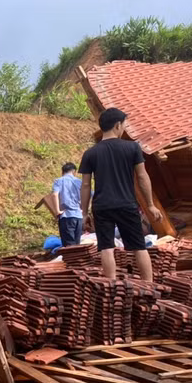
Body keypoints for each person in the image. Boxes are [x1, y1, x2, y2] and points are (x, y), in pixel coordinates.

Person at [79, 107, 161, 281]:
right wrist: (150, 205)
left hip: (102, 207)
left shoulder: (90, 153)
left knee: (106, 247)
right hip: (126, 204)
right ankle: (149, 285)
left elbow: (85, 185)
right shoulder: (132, 148)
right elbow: (142, 176)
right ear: (117, 125)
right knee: (139, 247)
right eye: (124, 124)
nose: (123, 128)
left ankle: (111, 286)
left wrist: (84, 212)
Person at [52, 162, 83, 247]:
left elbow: (55, 195)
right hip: (79, 217)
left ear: (62, 172)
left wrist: (57, 211)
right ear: (74, 172)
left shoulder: (58, 181)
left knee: (69, 247)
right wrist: (83, 209)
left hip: (66, 216)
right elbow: (89, 194)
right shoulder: (79, 182)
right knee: (77, 245)